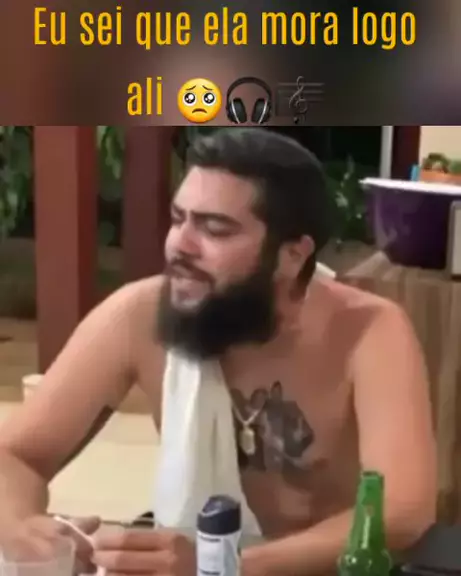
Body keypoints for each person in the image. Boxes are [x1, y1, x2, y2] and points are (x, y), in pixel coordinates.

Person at [0, 128, 436, 576]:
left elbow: (403, 510)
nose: (180, 245)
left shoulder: (368, 330)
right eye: (178, 220)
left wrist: (226, 566)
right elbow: (16, 455)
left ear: (292, 255)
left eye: (214, 229)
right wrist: (19, 526)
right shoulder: (139, 315)